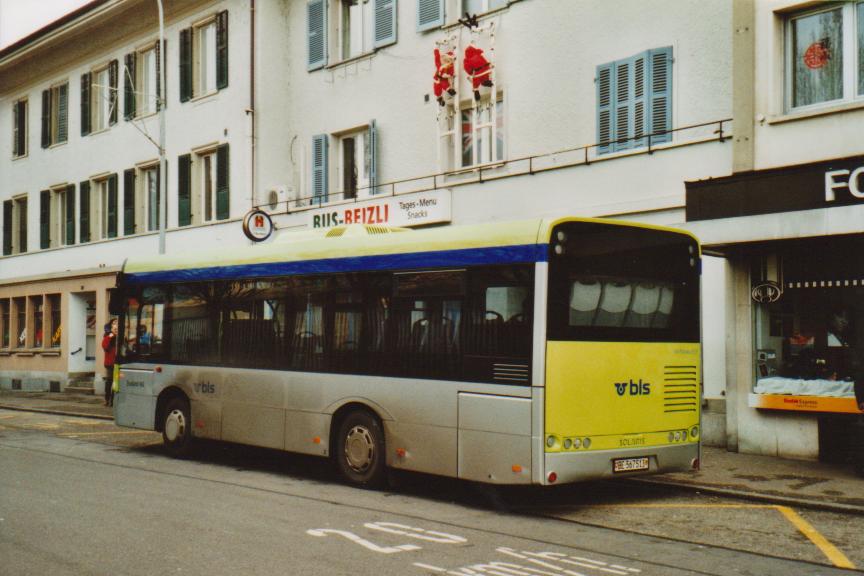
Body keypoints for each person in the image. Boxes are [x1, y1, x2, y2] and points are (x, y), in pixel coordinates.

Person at [101, 318, 118, 407]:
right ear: (111, 326)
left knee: (116, 383)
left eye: (117, 323)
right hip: (110, 363)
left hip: (118, 362)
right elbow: (105, 346)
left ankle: (113, 400)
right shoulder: (108, 336)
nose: (116, 325)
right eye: (114, 323)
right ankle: (107, 399)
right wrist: (111, 335)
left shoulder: (120, 335)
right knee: (109, 381)